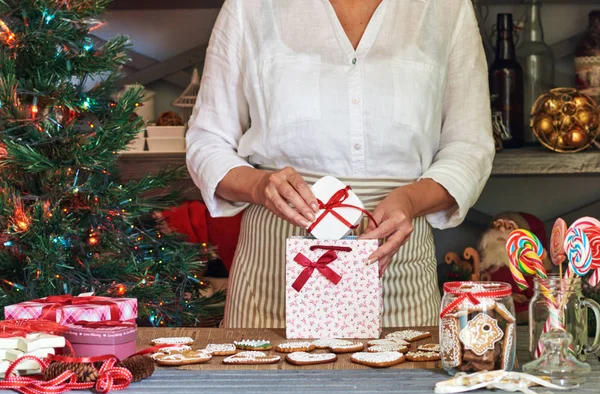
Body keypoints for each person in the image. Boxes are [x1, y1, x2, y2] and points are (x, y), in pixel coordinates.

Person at [186, 0, 495, 328]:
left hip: (400, 283)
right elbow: (207, 141)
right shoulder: (250, 7)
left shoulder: (446, 8)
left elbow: (469, 147)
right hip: (272, 284)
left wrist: (409, 200)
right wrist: (260, 186)